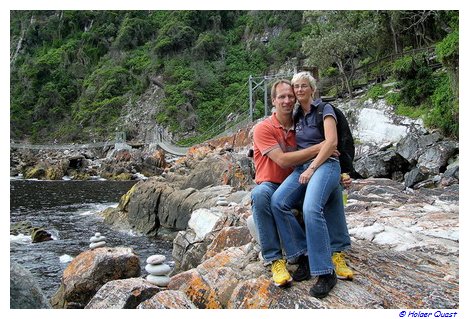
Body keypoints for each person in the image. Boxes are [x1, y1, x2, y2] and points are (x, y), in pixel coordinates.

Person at [251, 79, 352, 288]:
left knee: (329, 190)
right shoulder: (264, 128)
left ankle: (335, 254)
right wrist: (321, 147)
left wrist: (341, 171)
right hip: (274, 183)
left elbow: (332, 142)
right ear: (273, 100)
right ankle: (277, 259)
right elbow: (283, 160)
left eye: (291, 95)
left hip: (300, 179)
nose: (288, 100)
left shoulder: (302, 120)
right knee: (261, 195)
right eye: (282, 97)